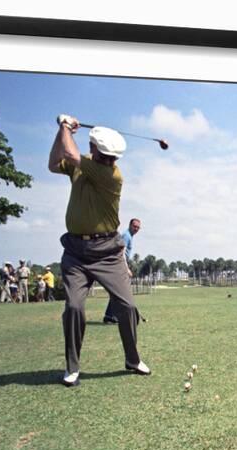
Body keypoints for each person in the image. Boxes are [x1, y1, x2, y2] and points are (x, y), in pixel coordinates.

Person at [48, 114, 150, 387]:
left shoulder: (111, 175)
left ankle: (132, 359)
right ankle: (72, 367)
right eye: (105, 155)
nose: (109, 161)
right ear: (93, 148)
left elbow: (70, 151)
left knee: (127, 306)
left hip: (107, 251)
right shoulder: (83, 164)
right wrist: (63, 131)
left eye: (112, 157)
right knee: (73, 307)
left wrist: (66, 127)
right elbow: (54, 162)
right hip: (76, 253)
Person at [103, 218, 141, 324]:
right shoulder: (126, 235)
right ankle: (111, 315)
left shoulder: (130, 236)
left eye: (138, 227)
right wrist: (126, 269)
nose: (136, 229)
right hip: (119, 265)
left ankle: (111, 315)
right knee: (119, 292)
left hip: (119, 265)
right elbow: (121, 252)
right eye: (135, 226)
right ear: (130, 225)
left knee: (117, 292)